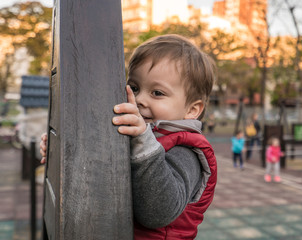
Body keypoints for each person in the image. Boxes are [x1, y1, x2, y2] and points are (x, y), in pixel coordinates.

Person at [40, 34, 217, 239]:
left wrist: (144, 144)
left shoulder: (188, 152)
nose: (139, 99)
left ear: (192, 109)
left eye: (157, 93)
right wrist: (58, 146)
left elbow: (159, 213)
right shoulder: (140, 132)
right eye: (134, 88)